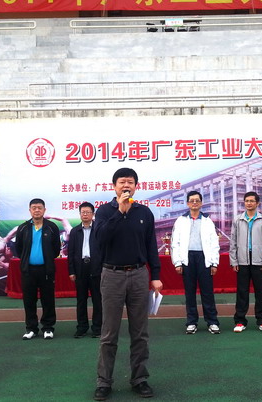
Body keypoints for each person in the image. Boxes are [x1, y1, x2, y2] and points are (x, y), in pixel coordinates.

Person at [93, 168, 163, 401]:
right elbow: (100, 239)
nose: (126, 185)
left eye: (130, 182)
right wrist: (120, 212)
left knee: (140, 332)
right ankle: (104, 382)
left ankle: (140, 379)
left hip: (139, 274)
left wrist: (155, 275)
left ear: (136, 186)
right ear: (114, 186)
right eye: (122, 182)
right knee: (109, 333)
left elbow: (151, 245)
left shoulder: (144, 212)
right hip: (111, 275)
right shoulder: (104, 211)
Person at [170, 190, 221, 334]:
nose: (194, 203)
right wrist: (177, 262)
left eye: (197, 200)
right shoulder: (180, 220)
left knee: (207, 292)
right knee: (190, 292)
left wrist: (214, 263)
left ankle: (212, 322)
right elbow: (175, 243)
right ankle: (191, 322)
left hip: (204, 258)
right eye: (191, 200)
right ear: (187, 203)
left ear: (201, 203)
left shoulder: (207, 220)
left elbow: (214, 243)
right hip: (187, 259)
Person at [15, 198, 61, 340]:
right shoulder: (23, 228)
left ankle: (48, 328)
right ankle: (31, 328)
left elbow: (56, 249)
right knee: (29, 300)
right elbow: (19, 249)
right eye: (34, 208)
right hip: (28, 271)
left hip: (46, 270)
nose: (37, 210)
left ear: (44, 210)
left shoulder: (52, 227)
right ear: (30, 210)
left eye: (39, 208)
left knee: (48, 300)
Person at [229, 191, 262, 334]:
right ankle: (240, 321)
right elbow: (233, 242)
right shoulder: (238, 220)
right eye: (247, 201)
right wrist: (233, 261)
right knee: (242, 292)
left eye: (252, 201)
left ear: (257, 203)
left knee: (261, 292)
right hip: (242, 260)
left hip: (259, 260)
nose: (249, 203)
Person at [67, 201, 102, 339]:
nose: (85, 214)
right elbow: (71, 253)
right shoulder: (75, 231)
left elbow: (104, 250)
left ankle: (97, 328)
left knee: (97, 299)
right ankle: (81, 327)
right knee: (81, 300)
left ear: (93, 214)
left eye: (88, 212)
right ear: (80, 214)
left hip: (96, 268)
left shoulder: (99, 229)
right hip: (80, 268)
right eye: (83, 212)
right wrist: (71, 271)